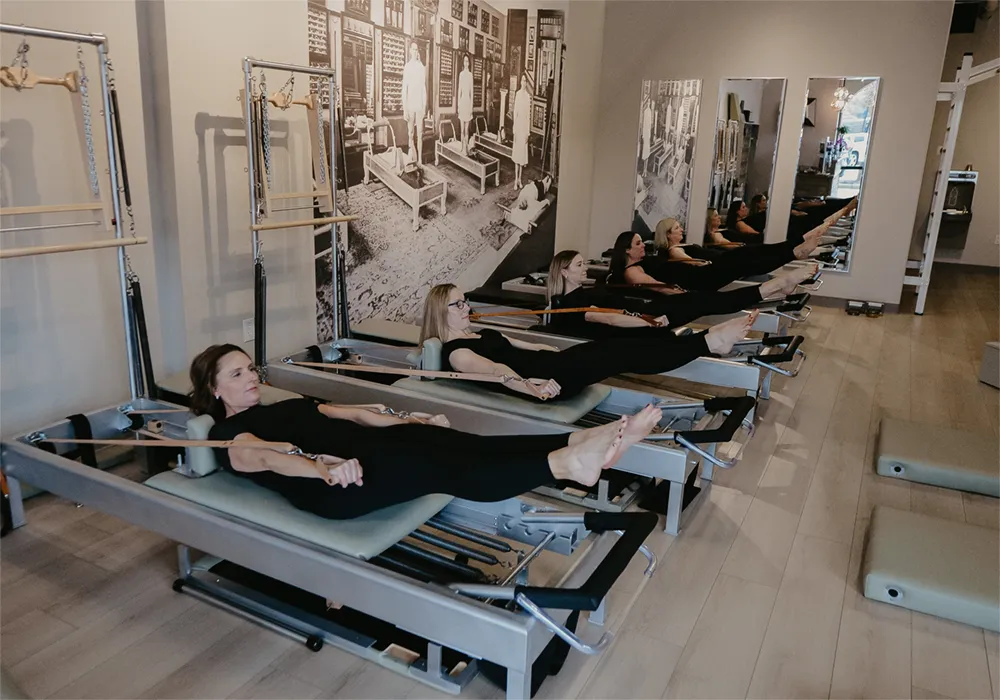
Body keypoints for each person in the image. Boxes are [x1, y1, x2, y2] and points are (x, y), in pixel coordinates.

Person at [194, 344, 661, 520]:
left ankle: (575, 442)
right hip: (342, 482)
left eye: (250, 368)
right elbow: (265, 458)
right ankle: (563, 465)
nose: (251, 377)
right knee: (438, 465)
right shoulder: (228, 433)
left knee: (461, 443)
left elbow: (356, 415)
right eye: (236, 374)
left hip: (371, 448)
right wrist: (320, 468)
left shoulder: (287, 404)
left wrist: (410, 420)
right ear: (214, 389)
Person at [420, 284, 759, 402]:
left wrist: (548, 349)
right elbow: (497, 371)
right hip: (549, 382)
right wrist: (532, 387)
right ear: (440, 312)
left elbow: (519, 345)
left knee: (626, 342)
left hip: (554, 364)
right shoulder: (458, 353)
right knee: (621, 354)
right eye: (458, 305)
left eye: (466, 301)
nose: (467, 308)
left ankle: (706, 342)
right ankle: (709, 343)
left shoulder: (476, 334)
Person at [545, 249, 817, 338]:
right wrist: (648, 321)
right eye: (579, 265)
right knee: (707, 300)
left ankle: (776, 287)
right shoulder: (573, 301)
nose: (585, 268)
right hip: (649, 318)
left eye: (584, 263)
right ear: (564, 273)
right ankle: (776, 286)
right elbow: (606, 318)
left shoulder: (584, 291)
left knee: (708, 300)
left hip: (650, 312)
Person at [610, 221, 829, 293]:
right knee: (743, 259)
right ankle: (794, 251)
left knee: (745, 256)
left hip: (701, 273)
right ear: (626, 250)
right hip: (699, 279)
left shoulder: (644, 261)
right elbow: (657, 287)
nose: (643, 246)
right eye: (638, 244)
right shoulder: (632, 272)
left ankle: (794, 250)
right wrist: (681, 294)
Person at [401, 42, 428, 167]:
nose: (415, 52)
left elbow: (423, 88)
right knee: (410, 133)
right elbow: (404, 89)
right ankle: (411, 157)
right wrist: (404, 109)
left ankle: (420, 160)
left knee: (420, 133)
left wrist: (424, 105)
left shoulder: (421, 67)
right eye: (413, 49)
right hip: (410, 105)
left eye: (417, 50)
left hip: (419, 105)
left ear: (418, 52)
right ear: (410, 50)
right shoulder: (407, 67)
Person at [512, 72, 531, 189]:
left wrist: (527, 133)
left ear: (526, 83)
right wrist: (514, 130)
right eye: (522, 80)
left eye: (525, 81)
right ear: (520, 82)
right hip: (518, 126)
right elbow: (515, 113)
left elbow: (528, 116)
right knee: (516, 155)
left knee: (522, 155)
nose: (523, 83)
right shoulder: (518, 94)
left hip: (524, 127)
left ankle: (520, 179)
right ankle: (515, 180)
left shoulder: (528, 96)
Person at [457, 53, 474, 154]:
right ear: (463, 63)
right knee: (462, 129)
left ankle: (466, 149)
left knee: (467, 129)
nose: (466, 63)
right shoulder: (461, 75)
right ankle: (462, 148)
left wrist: (471, 107)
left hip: (468, 103)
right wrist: (458, 105)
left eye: (467, 61)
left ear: (469, 63)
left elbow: (471, 92)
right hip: (462, 103)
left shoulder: (470, 75)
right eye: (465, 61)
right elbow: (459, 91)